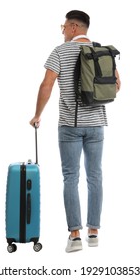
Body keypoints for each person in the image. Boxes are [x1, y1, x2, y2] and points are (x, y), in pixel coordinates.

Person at [30, 10, 121, 253]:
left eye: (63, 26)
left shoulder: (60, 51)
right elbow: (117, 85)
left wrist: (38, 115)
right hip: (97, 124)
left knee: (71, 178)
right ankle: (94, 233)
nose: (61, 31)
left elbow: (47, 85)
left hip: (70, 125)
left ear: (72, 27)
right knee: (95, 176)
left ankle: (75, 236)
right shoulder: (103, 51)